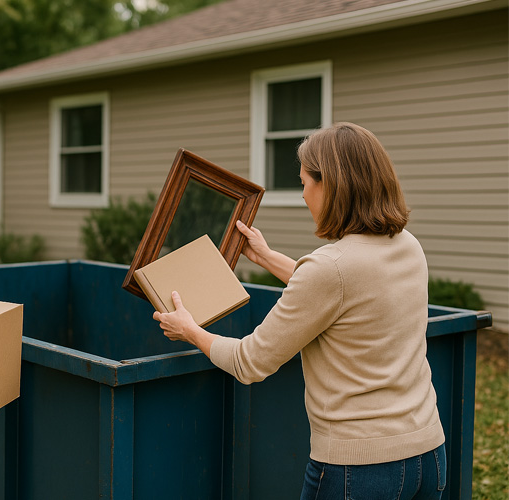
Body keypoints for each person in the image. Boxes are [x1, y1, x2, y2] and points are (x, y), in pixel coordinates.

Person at [153, 122, 447, 499]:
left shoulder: (330, 269)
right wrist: (266, 256)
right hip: (427, 453)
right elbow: (347, 295)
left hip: (358, 469)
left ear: (332, 185)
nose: (303, 195)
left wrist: (190, 330)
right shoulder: (407, 245)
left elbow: (250, 362)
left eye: (305, 182)